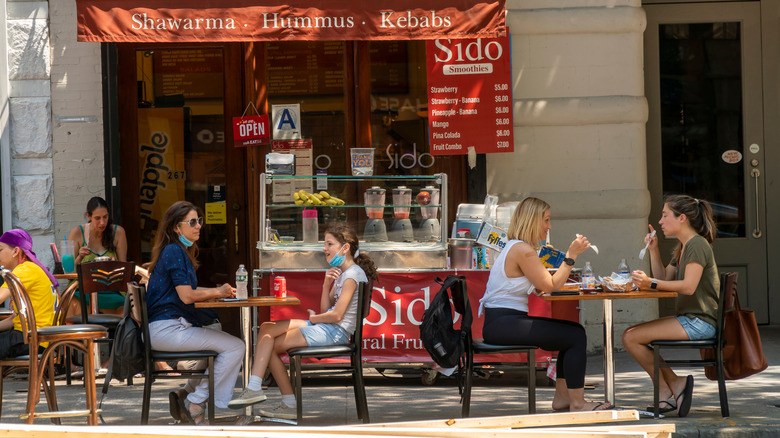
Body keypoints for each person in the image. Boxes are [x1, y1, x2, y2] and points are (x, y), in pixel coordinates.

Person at [227, 224, 378, 420]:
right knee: (266, 328)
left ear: (345, 248)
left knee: (270, 344)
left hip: (334, 331)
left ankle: (276, 398)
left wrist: (314, 318)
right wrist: (326, 284)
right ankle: (256, 388)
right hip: (326, 327)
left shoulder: (352, 275)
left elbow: (336, 315)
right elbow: (327, 309)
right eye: (325, 243)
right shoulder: (344, 273)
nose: (324, 248)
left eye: (329, 244)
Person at [478, 197, 611, 412]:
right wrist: (571, 256)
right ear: (532, 221)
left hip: (500, 322)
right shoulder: (523, 250)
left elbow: (541, 286)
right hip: (504, 324)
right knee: (575, 336)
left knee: (573, 332)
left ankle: (562, 399)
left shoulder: (517, 247)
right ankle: (577, 403)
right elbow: (551, 285)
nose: (549, 226)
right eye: (546, 220)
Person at [145, 201, 244, 425]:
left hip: (165, 327)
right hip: (166, 329)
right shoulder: (174, 251)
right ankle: (196, 403)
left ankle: (185, 395)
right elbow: (187, 296)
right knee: (235, 346)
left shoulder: (176, 250)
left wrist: (216, 293)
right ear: (176, 228)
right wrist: (217, 291)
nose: (198, 225)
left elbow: (187, 291)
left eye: (199, 220)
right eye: (192, 222)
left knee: (221, 348)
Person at [624, 194, 719, 417]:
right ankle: (671, 386)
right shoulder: (684, 246)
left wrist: (651, 282)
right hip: (690, 318)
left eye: (665, 215)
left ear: (682, 218)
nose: (660, 221)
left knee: (631, 337)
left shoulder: (696, 245)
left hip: (700, 322)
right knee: (631, 335)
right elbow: (663, 277)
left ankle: (671, 386)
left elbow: (688, 287)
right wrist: (653, 249)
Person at [0, 229, 58, 359]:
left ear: (16, 251)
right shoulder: (31, 268)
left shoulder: (24, 270)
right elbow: (17, 319)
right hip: (38, 338)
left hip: (31, 339)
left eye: (0, 250)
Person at [67, 196, 128, 315]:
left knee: (125, 310)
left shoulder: (118, 233)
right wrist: (80, 257)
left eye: (105, 217)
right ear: (88, 216)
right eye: (97, 218)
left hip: (111, 291)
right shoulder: (77, 232)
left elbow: (125, 272)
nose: (102, 222)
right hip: (83, 291)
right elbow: (69, 273)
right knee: (72, 304)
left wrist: (115, 264)